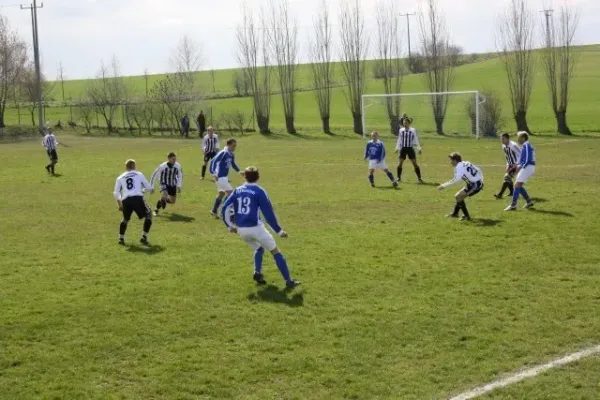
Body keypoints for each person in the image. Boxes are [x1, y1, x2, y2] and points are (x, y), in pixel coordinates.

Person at [221, 166, 300, 289]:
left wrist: (229, 226)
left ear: (244, 176)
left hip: (242, 230)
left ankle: (257, 273)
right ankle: (289, 281)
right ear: (258, 177)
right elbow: (268, 214)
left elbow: (225, 208)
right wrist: (279, 231)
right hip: (256, 228)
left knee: (259, 248)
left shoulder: (237, 191)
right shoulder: (259, 191)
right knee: (275, 251)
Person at [113, 159, 154, 246]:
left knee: (125, 219)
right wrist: (147, 190)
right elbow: (148, 187)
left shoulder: (120, 177)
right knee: (149, 214)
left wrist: (120, 204)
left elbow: (116, 192)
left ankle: (121, 238)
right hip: (137, 199)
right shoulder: (139, 174)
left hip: (126, 200)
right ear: (134, 167)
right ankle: (144, 237)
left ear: (126, 167)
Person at [438, 152, 484, 221]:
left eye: (451, 160)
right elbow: (478, 169)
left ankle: (466, 216)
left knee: (458, 196)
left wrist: (444, 186)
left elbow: (456, 179)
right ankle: (455, 214)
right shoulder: (465, 162)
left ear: (455, 161)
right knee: (458, 197)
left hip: (475, 185)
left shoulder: (459, 167)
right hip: (473, 184)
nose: (450, 162)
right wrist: (481, 180)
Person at [210, 139, 244, 217]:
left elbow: (233, 164)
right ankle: (223, 211)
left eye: (235, 146)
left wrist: (239, 171)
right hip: (219, 177)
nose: (234, 147)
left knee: (221, 194)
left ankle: (214, 211)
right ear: (228, 145)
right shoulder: (223, 153)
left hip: (224, 177)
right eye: (233, 146)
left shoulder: (231, 154)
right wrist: (214, 173)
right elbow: (213, 161)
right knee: (231, 194)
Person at [505, 131, 535, 211]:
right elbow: (521, 161)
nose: (518, 140)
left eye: (519, 138)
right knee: (518, 185)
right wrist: (515, 167)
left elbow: (527, 160)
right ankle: (529, 202)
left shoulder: (527, 146)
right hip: (526, 167)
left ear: (523, 138)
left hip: (528, 167)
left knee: (517, 185)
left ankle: (513, 205)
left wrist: (519, 169)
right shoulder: (525, 146)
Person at [395, 118, 424, 183]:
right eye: (404, 123)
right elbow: (399, 139)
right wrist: (397, 148)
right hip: (403, 149)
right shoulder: (401, 130)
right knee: (400, 164)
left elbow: (415, 139)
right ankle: (398, 178)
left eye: (406, 123)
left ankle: (419, 178)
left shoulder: (413, 130)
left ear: (409, 123)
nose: (405, 124)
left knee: (415, 164)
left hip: (410, 149)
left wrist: (419, 148)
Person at [495, 133, 521, 199]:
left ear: (507, 139)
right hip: (510, 165)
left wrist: (516, 164)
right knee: (508, 178)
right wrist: (507, 165)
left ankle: (500, 194)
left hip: (516, 164)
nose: (502, 140)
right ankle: (512, 192)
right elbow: (508, 156)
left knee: (507, 177)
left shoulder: (513, 145)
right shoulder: (503, 146)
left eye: (503, 139)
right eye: (501, 139)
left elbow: (521, 155)